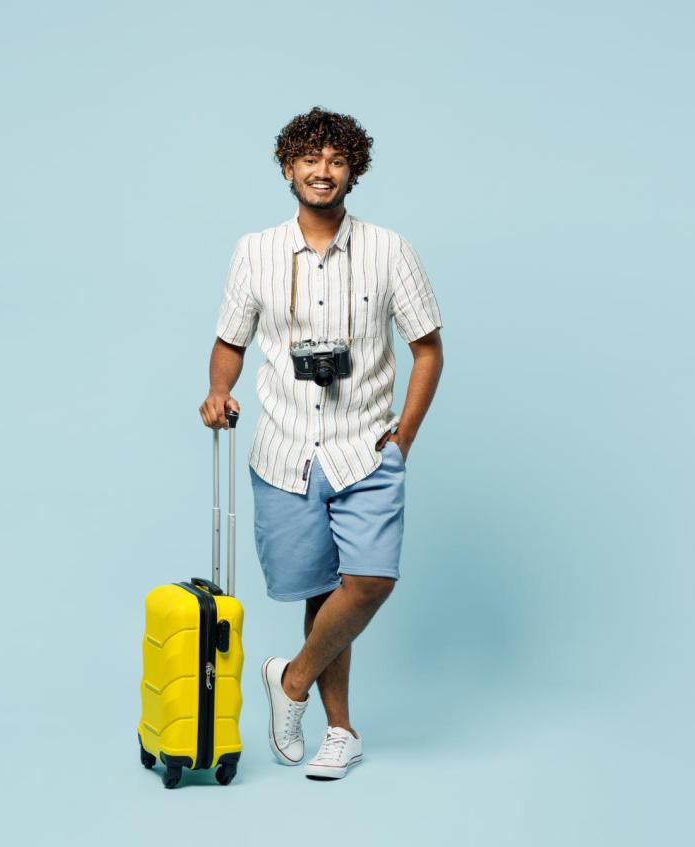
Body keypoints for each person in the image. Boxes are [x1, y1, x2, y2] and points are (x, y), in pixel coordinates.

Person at [198, 106, 444, 780]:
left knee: (367, 582)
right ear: (288, 168)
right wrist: (220, 390)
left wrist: (405, 436)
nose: (323, 171)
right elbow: (229, 342)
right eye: (311, 159)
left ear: (352, 171)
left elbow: (427, 349)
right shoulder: (254, 250)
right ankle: (342, 732)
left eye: (337, 160)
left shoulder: (391, 249)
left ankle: (293, 679)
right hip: (284, 450)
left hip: (366, 445)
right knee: (318, 592)